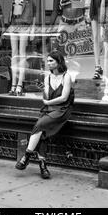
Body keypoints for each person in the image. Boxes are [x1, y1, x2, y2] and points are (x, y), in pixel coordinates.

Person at [15, 50, 74, 179]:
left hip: (62, 110)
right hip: (49, 109)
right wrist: (44, 90)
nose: (48, 63)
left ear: (59, 62)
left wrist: (48, 101)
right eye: (47, 61)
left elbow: (64, 98)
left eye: (51, 61)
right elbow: (46, 96)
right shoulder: (47, 77)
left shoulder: (66, 77)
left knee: (40, 124)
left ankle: (27, 155)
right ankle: (43, 166)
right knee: (42, 135)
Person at [8, 0, 36, 96]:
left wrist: (33, 30)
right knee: (14, 54)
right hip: (14, 25)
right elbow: (12, 13)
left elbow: (33, 14)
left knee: (22, 54)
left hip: (24, 25)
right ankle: (13, 84)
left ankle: (20, 83)